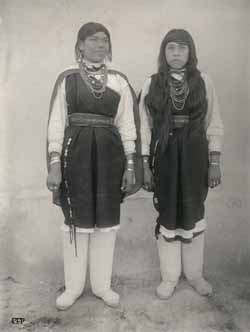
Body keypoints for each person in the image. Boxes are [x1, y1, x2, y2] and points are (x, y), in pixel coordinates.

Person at [46, 22, 141, 310]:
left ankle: (102, 286)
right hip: (74, 156)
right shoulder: (68, 79)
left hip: (110, 159)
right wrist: (54, 165)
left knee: (106, 224)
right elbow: (56, 124)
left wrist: (129, 166)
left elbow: (127, 126)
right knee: (76, 220)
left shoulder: (119, 81)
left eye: (104, 40)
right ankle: (74, 287)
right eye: (93, 39)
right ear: (80, 45)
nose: (100, 45)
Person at [139, 29, 224, 299]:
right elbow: (145, 128)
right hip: (164, 153)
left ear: (191, 52)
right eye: (171, 48)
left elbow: (214, 121)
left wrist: (214, 160)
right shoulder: (151, 83)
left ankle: (195, 275)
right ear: (163, 52)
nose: (176, 53)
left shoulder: (204, 82)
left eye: (182, 48)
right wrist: (145, 165)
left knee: (193, 210)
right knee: (168, 211)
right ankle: (170, 277)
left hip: (195, 154)